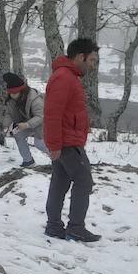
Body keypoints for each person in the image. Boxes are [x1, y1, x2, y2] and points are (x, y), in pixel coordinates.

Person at [43, 37, 100, 243]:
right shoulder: (64, 77)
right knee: (84, 181)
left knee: (60, 182)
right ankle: (76, 228)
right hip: (67, 142)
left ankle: (53, 226)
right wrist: (54, 145)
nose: (93, 65)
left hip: (67, 140)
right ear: (80, 57)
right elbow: (52, 114)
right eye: (92, 60)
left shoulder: (68, 76)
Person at [0, 72, 47, 168]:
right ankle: (28, 161)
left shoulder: (34, 98)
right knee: (18, 134)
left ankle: (59, 161)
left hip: (44, 123)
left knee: (39, 144)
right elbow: (8, 114)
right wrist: (6, 126)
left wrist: (27, 125)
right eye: (11, 93)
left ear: (21, 91)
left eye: (15, 93)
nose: (12, 95)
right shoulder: (10, 100)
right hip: (26, 123)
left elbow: (41, 116)